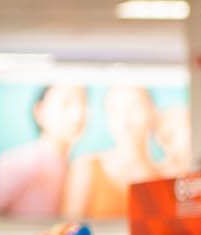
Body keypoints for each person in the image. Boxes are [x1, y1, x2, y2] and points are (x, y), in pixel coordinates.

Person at [62, 84, 161, 220]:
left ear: (152, 112)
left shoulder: (166, 176)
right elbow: (69, 228)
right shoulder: (85, 167)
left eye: (134, 107)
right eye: (115, 110)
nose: (125, 119)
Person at [0, 83, 88, 219]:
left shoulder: (78, 170)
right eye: (66, 104)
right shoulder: (17, 163)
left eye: (83, 103)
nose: (78, 115)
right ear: (39, 112)